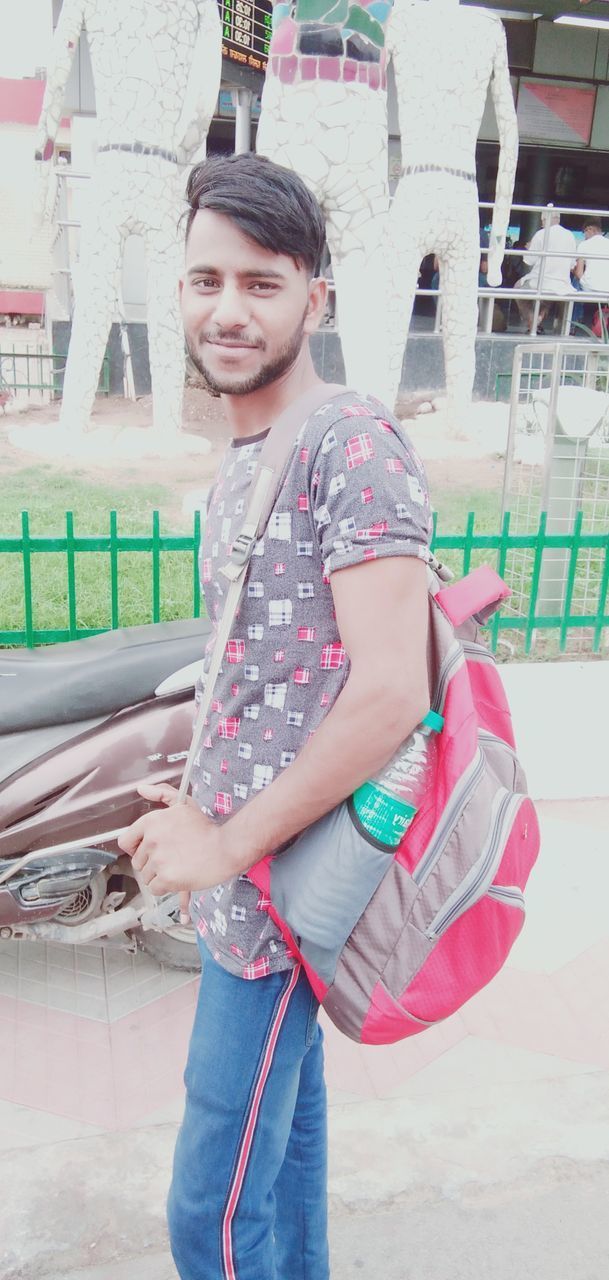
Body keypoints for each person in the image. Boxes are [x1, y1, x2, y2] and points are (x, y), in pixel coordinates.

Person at [118, 153, 432, 1280]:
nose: (228, 309)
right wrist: (200, 785)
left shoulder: (350, 443)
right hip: (246, 880)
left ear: (316, 297)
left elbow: (393, 688)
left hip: (280, 893)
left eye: (262, 282)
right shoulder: (250, 456)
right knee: (283, 1161)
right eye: (207, 281)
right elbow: (270, 667)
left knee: (208, 1209)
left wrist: (225, 839)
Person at [517, 210, 577, 335]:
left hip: (540, 280)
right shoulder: (570, 236)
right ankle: (538, 319)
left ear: (545, 219)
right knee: (546, 299)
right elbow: (572, 265)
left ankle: (532, 322)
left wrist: (529, 248)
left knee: (517, 288)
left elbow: (529, 261)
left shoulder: (541, 233)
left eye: (542, 221)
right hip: (563, 283)